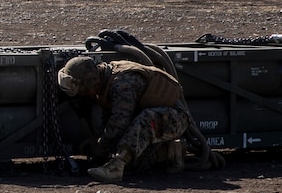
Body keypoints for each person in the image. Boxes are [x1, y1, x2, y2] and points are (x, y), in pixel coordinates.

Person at [57, 56, 191, 183]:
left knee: (146, 118)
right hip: (155, 123)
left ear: (90, 84)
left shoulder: (122, 83)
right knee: (135, 165)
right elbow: (109, 117)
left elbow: (119, 121)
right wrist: (97, 141)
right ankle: (171, 152)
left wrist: (102, 147)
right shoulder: (105, 82)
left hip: (173, 118)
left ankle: (116, 167)